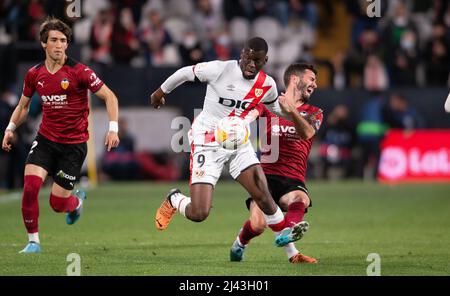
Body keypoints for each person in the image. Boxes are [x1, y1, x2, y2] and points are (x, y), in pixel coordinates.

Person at [150, 37, 306, 247]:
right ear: (241, 55)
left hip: (237, 140)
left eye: (257, 60)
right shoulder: (219, 69)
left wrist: (295, 114)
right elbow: (186, 72)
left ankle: (292, 253)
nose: (251, 64)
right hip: (207, 138)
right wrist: (161, 92)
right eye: (248, 59)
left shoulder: (267, 85)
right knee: (199, 213)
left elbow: (276, 109)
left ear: (265, 60)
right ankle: (175, 199)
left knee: (264, 196)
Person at [1, 17, 120, 253]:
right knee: (30, 188)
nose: (59, 45)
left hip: (73, 146)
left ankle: (75, 202)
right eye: (54, 40)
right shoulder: (34, 74)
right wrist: (10, 129)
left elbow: (110, 97)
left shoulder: (80, 72)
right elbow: (23, 106)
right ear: (44, 43)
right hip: (45, 140)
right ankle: (33, 242)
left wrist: (113, 128)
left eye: (63, 40)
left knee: (57, 204)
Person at [229, 63, 322, 264]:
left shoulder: (314, 112)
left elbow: (307, 133)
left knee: (300, 198)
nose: (315, 84)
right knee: (258, 225)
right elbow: (251, 114)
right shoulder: (268, 104)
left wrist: (292, 111)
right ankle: (240, 242)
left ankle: (288, 232)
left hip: (293, 178)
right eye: (312, 79)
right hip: (265, 176)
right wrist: (240, 124)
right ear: (295, 79)